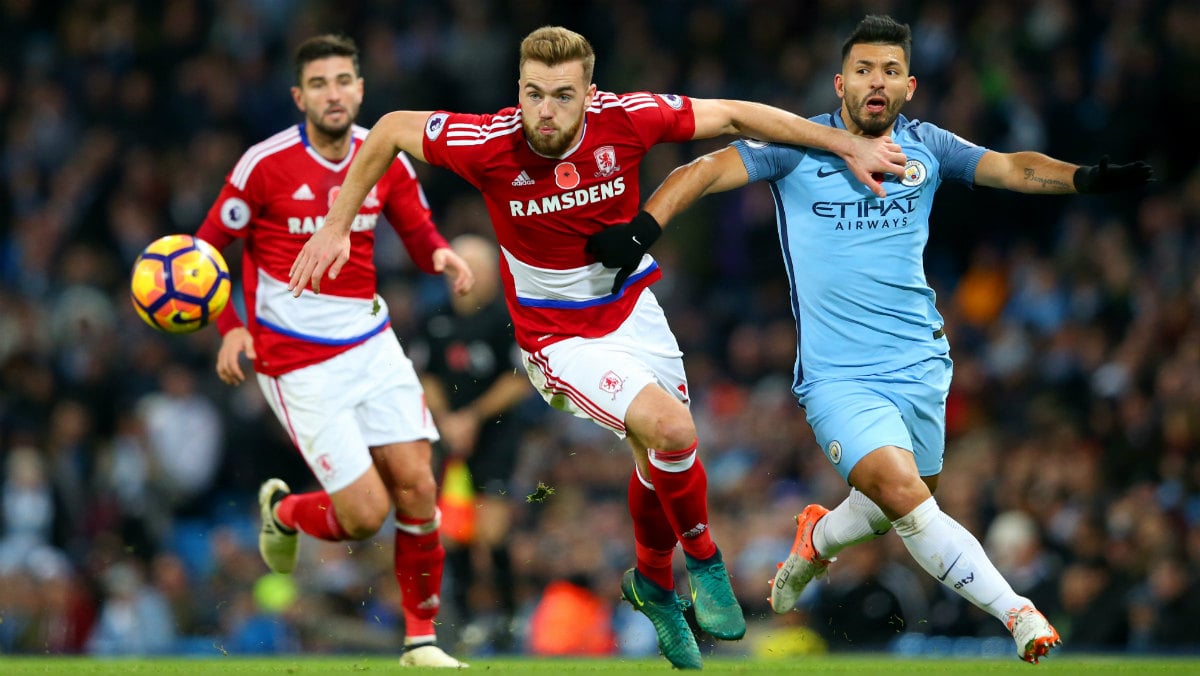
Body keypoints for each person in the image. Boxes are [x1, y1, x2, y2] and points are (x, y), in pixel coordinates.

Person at [288, 25, 906, 670]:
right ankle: (704, 563)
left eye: (561, 95)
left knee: (658, 458)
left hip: (634, 311)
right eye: (532, 94)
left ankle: (651, 585)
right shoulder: (487, 142)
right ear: (517, 92)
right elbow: (387, 128)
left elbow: (733, 114)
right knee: (671, 430)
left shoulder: (628, 118)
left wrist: (839, 142)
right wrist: (337, 224)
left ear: (590, 93)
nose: (544, 112)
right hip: (557, 336)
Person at [607, 14, 1153, 665]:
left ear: (910, 86)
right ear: (840, 82)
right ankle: (1019, 613)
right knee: (903, 496)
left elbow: (1010, 166)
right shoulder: (797, 146)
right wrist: (642, 228)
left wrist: (1083, 179)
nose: (877, 81)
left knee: (901, 498)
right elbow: (699, 171)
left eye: (890, 71)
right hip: (838, 378)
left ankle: (816, 539)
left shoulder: (927, 147)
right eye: (864, 69)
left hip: (922, 363)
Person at [193, 34, 473, 668]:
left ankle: (421, 641)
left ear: (361, 89)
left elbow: (416, 225)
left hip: (371, 342)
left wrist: (442, 255)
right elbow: (202, 255)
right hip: (293, 359)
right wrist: (230, 328)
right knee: (365, 516)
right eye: (319, 83)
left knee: (419, 489)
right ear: (299, 97)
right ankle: (286, 511)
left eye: (344, 80)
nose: (334, 93)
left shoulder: (385, 156)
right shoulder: (263, 165)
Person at [415, 233, 533, 652]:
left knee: (493, 530)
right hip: (450, 439)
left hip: (496, 436)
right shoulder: (433, 319)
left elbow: (520, 380)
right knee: (454, 532)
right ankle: (461, 619)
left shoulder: (506, 318)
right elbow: (426, 374)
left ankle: (506, 618)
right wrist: (447, 419)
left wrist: (473, 416)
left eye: (476, 269)